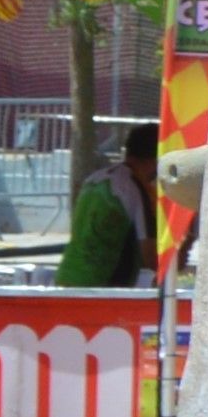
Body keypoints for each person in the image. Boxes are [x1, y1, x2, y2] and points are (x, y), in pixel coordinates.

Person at [57, 122, 161, 292]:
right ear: (158, 158)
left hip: (68, 277)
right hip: (98, 288)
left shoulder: (95, 179)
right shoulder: (133, 187)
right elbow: (151, 257)